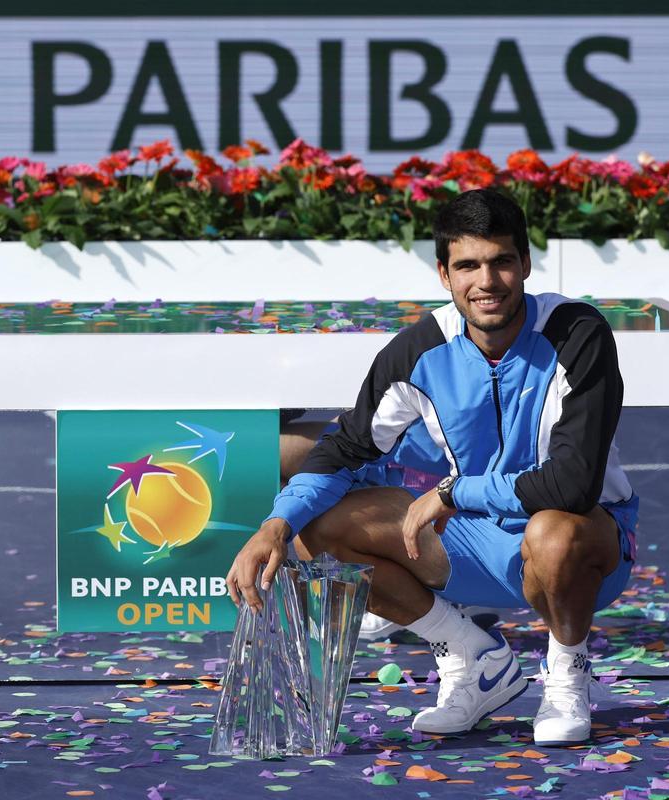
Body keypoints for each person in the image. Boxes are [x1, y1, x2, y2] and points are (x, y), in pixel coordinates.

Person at [226, 188, 638, 746]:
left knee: (553, 530)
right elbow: (346, 449)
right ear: (444, 274)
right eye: (468, 265)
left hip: (584, 550)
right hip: (475, 544)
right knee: (318, 531)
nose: (486, 282)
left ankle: (566, 675)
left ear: (526, 265)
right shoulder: (418, 350)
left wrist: (452, 493)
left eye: (501, 262)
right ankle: (470, 656)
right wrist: (274, 526)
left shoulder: (578, 332)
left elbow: (572, 483)